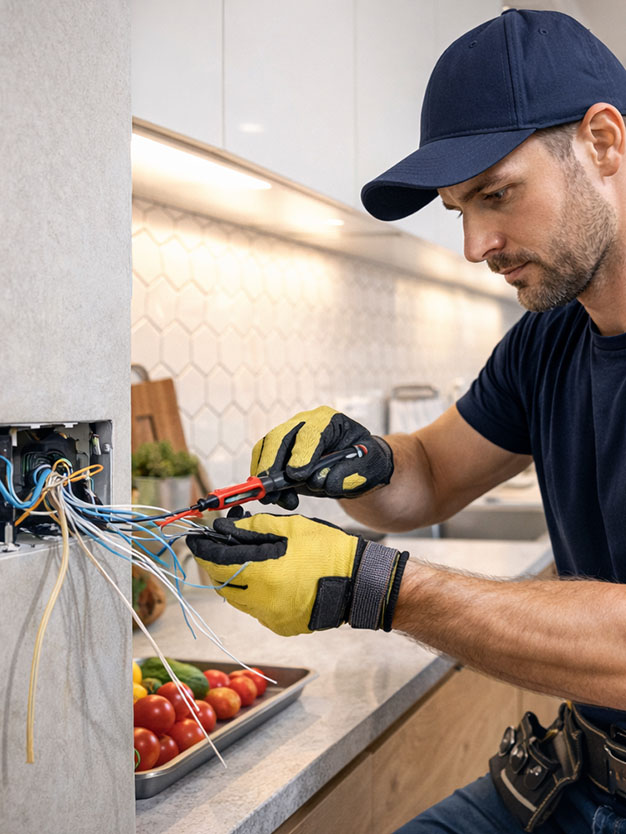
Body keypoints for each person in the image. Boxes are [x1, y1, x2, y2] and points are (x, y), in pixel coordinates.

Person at [187, 9, 626, 832]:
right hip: (572, 776)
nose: (475, 243)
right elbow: (429, 473)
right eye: (457, 208)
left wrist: (377, 587)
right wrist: (365, 459)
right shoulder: (548, 338)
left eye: (496, 195)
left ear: (605, 142)